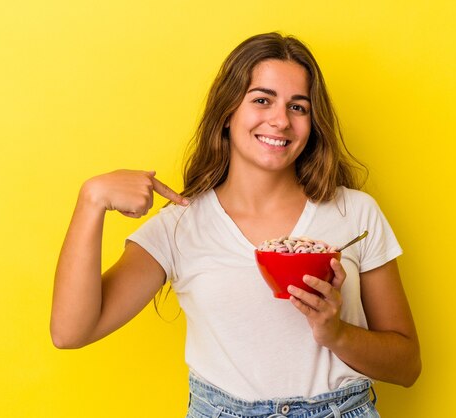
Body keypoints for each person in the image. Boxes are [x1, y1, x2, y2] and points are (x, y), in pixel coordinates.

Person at [51, 32, 421, 417]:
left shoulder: (355, 213)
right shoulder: (180, 227)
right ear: (228, 113)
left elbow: (407, 366)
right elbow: (70, 333)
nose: (280, 121)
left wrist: (337, 333)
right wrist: (90, 200)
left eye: (298, 107)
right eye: (262, 100)